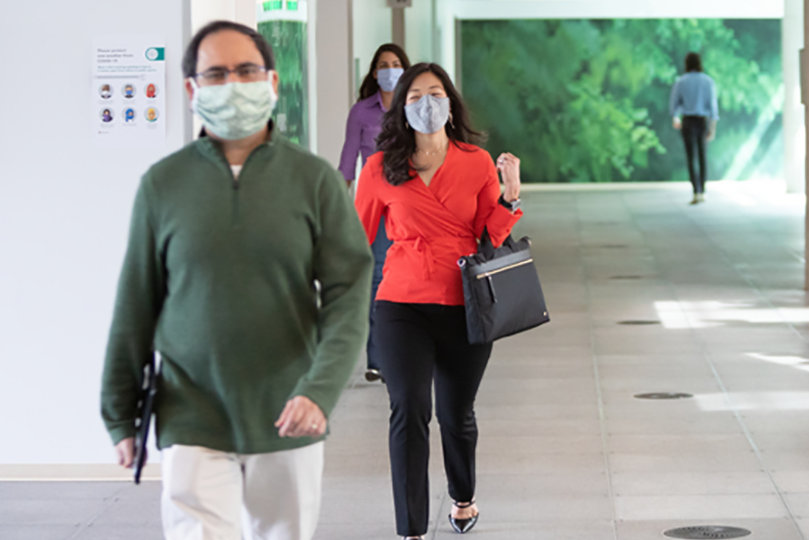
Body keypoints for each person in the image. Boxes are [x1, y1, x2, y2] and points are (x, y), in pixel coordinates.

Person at [100, 20, 373, 540]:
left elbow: (348, 292)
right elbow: (135, 302)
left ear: (271, 82)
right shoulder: (163, 185)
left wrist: (320, 389)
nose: (233, 83)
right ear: (191, 89)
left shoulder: (313, 180)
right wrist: (120, 411)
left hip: (289, 406)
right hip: (189, 408)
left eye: (246, 70)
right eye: (217, 73)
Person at [354, 63, 523, 540]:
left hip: (465, 304)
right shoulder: (380, 167)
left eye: (435, 93)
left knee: (456, 414)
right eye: (414, 96)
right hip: (401, 304)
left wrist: (510, 196)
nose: (426, 102)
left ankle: (463, 495)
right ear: (401, 108)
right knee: (408, 408)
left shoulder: (474, 161)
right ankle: (411, 529)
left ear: (450, 103)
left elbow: (489, 237)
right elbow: (356, 239)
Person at [338, 43, 411, 383]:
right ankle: (377, 358)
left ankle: (409, 351)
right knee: (378, 278)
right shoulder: (361, 112)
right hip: (377, 207)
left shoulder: (413, 107)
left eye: (396, 64)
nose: (390, 70)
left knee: (412, 278)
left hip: (411, 204)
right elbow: (346, 164)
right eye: (383, 64)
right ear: (373, 72)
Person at [670, 52, 719, 205]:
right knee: (702, 156)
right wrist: (712, 127)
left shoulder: (681, 81)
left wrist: (676, 117)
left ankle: (695, 191)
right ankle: (702, 190)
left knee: (691, 157)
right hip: (702, 121)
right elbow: (713, 107)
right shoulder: (707, 81)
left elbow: (674, 104)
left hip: (688, 121)